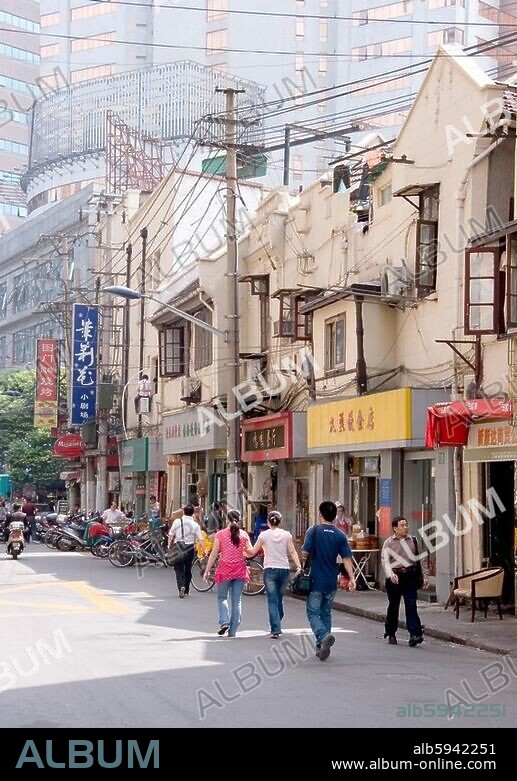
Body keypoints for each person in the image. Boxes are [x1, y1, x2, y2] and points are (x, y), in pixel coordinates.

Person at [302, 501, 356, 661]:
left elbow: (305, 552)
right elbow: (347, 558)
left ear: (320, 514)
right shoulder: (340, 535)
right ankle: (321, 646)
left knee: (313, 612)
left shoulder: (314, 531)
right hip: (331, 581)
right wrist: (352, 578)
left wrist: (303, 562)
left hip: (315, 580)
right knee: (326, 613)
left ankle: (323, 636)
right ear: (334, 516)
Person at [247, 510, 302, 638]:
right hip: (284, 570)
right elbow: (293, 552)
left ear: (268, 522)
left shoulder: (263, 535)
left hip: (270, 570)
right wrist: (298, 565)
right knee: (279, 599)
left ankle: (275, 629)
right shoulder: (286, 535)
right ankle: (277, 621)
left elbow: (253, 551)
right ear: (280, 522)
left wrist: (242, 549)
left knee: (272, 600)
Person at [203, 509, 253, 637]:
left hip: (225, 569)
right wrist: (242, 552)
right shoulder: (244, 535)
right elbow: (250, 552)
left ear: (227, 519)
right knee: (237, 601)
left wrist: (207, 570)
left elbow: (214, 553)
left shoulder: (220, 534)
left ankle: (224, 621)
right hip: (239, 569)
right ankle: (233, 631)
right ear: (240, 519)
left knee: (222, 597)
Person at [381, 516, 429, 647]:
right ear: (395, 528)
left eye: (406, 525)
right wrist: (390, 574)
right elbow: (385, 561)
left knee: (411, 604)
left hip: (410, 576)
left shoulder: (413, 540)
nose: (405, 527)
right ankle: (391, 632)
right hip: (395, 578)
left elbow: (421, 559)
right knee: (393, 605)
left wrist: (425, 576)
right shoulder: (389, 543)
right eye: (402, 525)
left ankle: (415, 633)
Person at [168, 504, 203, 598]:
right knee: (188, 569)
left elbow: (171, 534)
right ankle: (186, 589)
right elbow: (200, 539)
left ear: (183, 512)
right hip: (190, 548)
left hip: (178, 547)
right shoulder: (195, 525)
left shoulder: (177, 521)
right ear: (192, 513)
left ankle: (181, 587)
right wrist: (204, 550)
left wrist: (169, 545)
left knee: (178, 569)